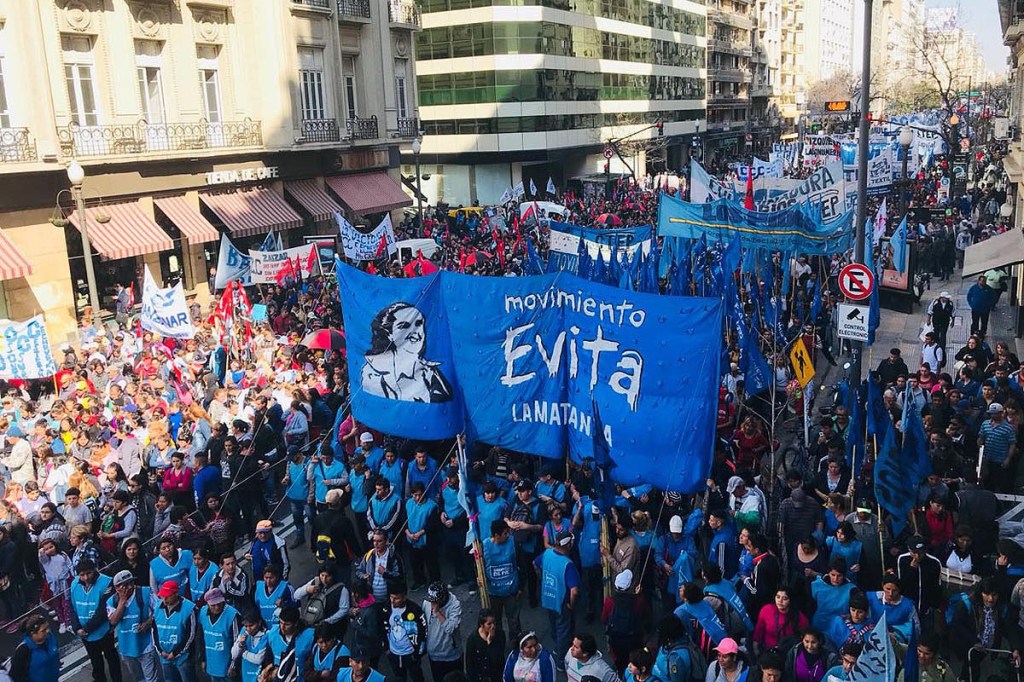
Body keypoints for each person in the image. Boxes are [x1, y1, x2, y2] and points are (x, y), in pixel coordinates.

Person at [361, 302, 453, 402]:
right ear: (389, 334)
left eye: (418, 324)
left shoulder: (430, 372)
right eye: (404, 326)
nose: (415, 332)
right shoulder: (372, 374)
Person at [70, 559, 122, 682]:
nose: (86, 577)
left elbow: (104, 610)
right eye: (82, 575)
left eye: (88, 573)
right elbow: (73, 607)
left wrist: (86, 629)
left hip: (103, 631)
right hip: (85, 633)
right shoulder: (74, 584)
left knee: (111, 657)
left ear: (95, 570)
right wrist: (77, 627)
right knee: (95, 660)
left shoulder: (107, 582)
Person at [535, 530, 580, 663]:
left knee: (554, 625)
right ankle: (561, 660)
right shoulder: (568, 564)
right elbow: (575, 591)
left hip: (548, 598)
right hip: (561, 602)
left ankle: (557, 648)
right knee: (563, 631)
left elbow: (535, 564)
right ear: (568, 545)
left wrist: (541, 579)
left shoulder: (547, 553)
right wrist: (571, 604)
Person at [107, 569, 159, 682]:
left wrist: (148, 623)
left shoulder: (145, 593)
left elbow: (159, 610)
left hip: (146, 645)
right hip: (126, 647)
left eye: (131, 583)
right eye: (124, 585)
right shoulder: (112, 601)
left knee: (151, 678)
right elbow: (113, 621)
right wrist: (122, 600)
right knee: (137, 678)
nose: (129, 587)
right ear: (117, 588)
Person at [482, 519, 522, 637]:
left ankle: (516, 642)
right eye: (505, 533)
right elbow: (479, 566)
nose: (507, 535)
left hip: (511, 590)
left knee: (514, 620)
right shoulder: (484, 546)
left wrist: (520, 586)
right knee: (495, 621)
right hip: (493, 592)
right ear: (496, 535)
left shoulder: (513, 542)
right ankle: (499, 641)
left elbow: (521, 563)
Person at [153, 580, 198, 682]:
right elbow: (154, 631)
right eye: (162, 596)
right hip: (164, 656)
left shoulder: (189, 609)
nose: (164, 599)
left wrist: (175, 653)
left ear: (176, 594)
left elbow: (190, 635)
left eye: (167, 596)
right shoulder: (157, 607)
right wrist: (160, 651)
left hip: (183, 657)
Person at [383, 578, 427, 682]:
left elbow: (423, 632)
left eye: (396, 598)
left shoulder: (415, 610)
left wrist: (418, 654)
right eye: (391, 597)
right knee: (399, 678)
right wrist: (386, 648)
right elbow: (383, 628)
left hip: (410, 654)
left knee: (417, 677)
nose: (392, 601)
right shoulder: (386, 608)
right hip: (394, 654)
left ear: (404, 597)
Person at [197, 587, 242, 682]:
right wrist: (203, 659)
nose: (217, 607)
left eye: (219, 604)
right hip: (212, 663)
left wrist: (233, 665)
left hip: (228, 666)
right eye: (213, 605)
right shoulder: (203, 612)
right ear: (207, 604)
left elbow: (237, 642)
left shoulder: (232, 615)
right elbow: (201, 638)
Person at [423, 581, 463, 682]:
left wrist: (437, 613)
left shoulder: (455, 605)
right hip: (434, 655)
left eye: (435, 601)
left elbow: (451, 628)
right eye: (430, 601)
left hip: (451, 655)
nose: (431, 604)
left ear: (443, 598)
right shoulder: (427, 602)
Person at [10, 614, 60, 682]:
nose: (47, 631)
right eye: (43, 630)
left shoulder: (50, 637)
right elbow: (16, 676)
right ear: (32, 633)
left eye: (48, 627)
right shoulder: (23, 650)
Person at [465, 609, 506, 682]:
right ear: (482, 625)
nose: (493, 626)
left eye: (494, 623)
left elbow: (499, 657)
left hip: (496, 676)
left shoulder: (500, 634)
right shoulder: (473, 639)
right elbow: (469, 663)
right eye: (489, 624)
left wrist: (490, 642)